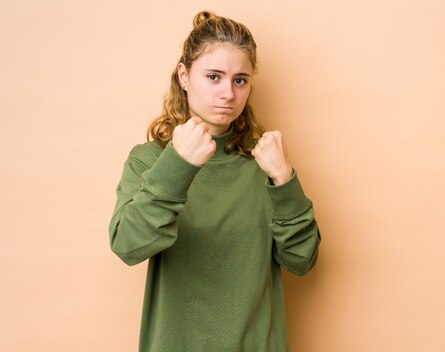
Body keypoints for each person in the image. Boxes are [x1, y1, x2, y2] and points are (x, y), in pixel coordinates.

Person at [108, 10, 321, 351]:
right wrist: (177, 166)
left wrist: (284, 180)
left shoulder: (264, 160)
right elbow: (128, 246)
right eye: (213, 77)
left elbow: (302, 260)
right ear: (184, 76)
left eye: (240, 80)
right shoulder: (150, 159)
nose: (228, 93)